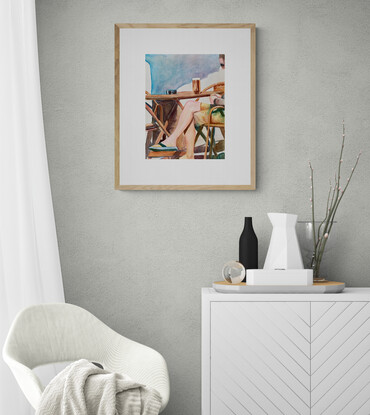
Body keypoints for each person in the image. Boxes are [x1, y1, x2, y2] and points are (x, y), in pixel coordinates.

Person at [149, 54, 225, 159]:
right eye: (221, 65)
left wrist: (217, 100)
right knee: (189, 107)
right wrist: (217, 97)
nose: (222, 68)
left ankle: (178, 146)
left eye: (223, 65)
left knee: (190, 111)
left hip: (223, 113)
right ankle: (185, 151)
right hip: (219, 108)